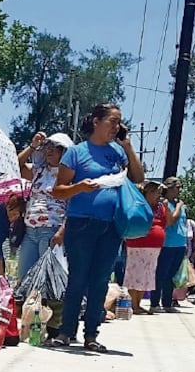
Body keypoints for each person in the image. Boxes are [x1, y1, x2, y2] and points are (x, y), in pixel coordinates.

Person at [48, 103, 144, 351]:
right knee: (78, 278)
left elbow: (139, 178)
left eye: (119, 122)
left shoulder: (117, 152)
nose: (117, 126)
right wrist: (79, 187)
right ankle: (66, 332)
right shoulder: (77, 153)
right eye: (112, 121)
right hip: (81, 224)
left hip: (111, 225)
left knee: (100, 281)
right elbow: (58, 190)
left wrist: (128, 146)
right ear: (96, 122)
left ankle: (92, 334)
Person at [16, 132, 73, 282]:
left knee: (47, 279)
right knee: (23, 277)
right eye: (47, 146)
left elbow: (73, 206)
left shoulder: (68, 176)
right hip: (30, 231)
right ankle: (25, 304)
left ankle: (44, 305)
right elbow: (16, 166)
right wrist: (32, 146)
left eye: (55, 147)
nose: (49, 150)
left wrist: (62, 232)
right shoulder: (38, 170)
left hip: (51, 230)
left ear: (64, 151)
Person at [123, 181, 166, 315]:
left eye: (159, 193)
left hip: (154, 246)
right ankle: (133, 304)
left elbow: (166, 222)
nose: (158, 195)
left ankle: (138, 304)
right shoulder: (138, 204)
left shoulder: (160, 207)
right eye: (155, 192)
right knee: (135, 273)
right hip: (138, 243)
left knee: (147, 275)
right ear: (146, 193)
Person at [151, 177, 187, 312]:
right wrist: (177, 207)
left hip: (180, 243)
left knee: (172, 274)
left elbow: (183, 223)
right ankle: (154, 302)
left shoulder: (180, 205)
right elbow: (171, 221)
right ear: (169, 188)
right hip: (167, 243)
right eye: (177, 187)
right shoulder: (164, 204)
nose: (179, 190)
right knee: (161, 273)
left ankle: (167, 302)